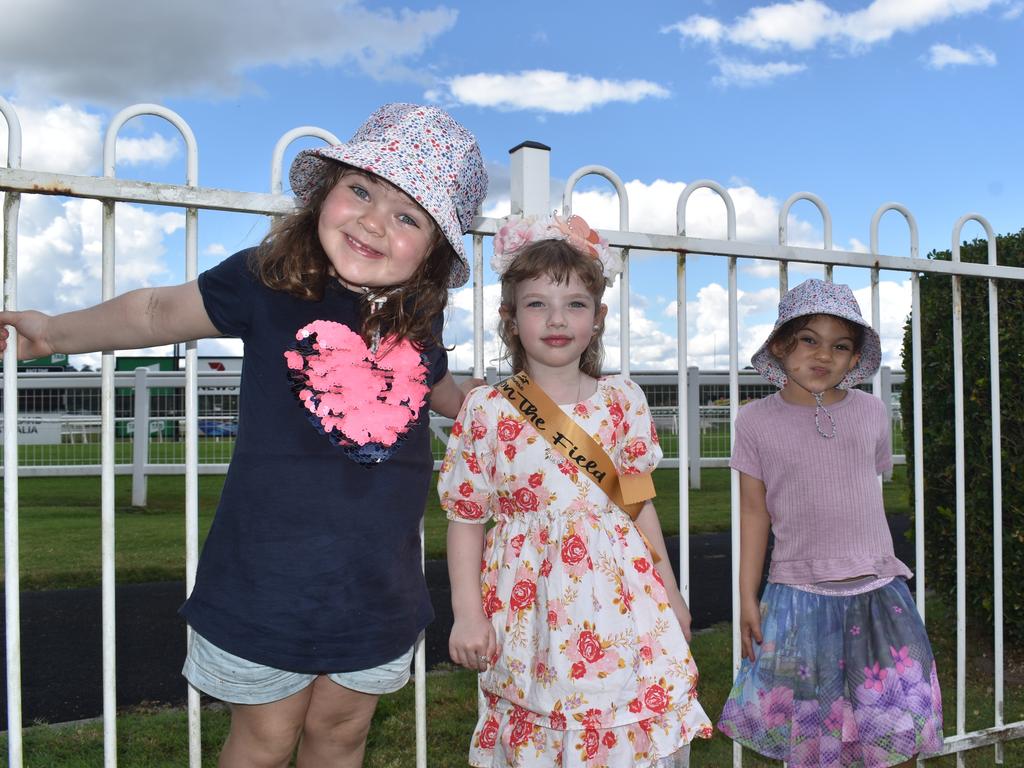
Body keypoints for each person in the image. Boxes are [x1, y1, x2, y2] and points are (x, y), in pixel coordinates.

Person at [0, 103, 488, 768]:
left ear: (434, 250)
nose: (375, 220)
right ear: (326, 191)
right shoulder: (269, 282)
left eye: (409, 216)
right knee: (264, 741)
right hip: (268, 582)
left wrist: (493, 408)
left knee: (342, 737)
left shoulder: (417, 327)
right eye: (362, 189)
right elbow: (154, 311)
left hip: (376, 591)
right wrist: (54, 334)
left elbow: (446, 395)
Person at [439, 214, 712, 767]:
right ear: (510, 319)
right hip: (530, 603)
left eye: (575, 305)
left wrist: (672, 593)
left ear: (598, 319)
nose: (556, 319)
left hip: (624, 602)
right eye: (537, 304)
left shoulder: (622, 402)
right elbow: (466, 518)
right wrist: (467, 612)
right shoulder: (487, 411)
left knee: (628, 708)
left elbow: (636, 503)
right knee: (541, 717)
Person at [717, 279, 944, 767]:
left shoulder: (872, 413)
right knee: (812, 735)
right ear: (780, 345)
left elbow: (869, 485)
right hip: (799, 598)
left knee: (886, 723)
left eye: (841, 346)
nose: (824, 356)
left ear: (854, 357)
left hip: (878, 594)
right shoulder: (754, 421)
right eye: (809, 340)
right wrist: (747, 598)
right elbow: (754, 513)